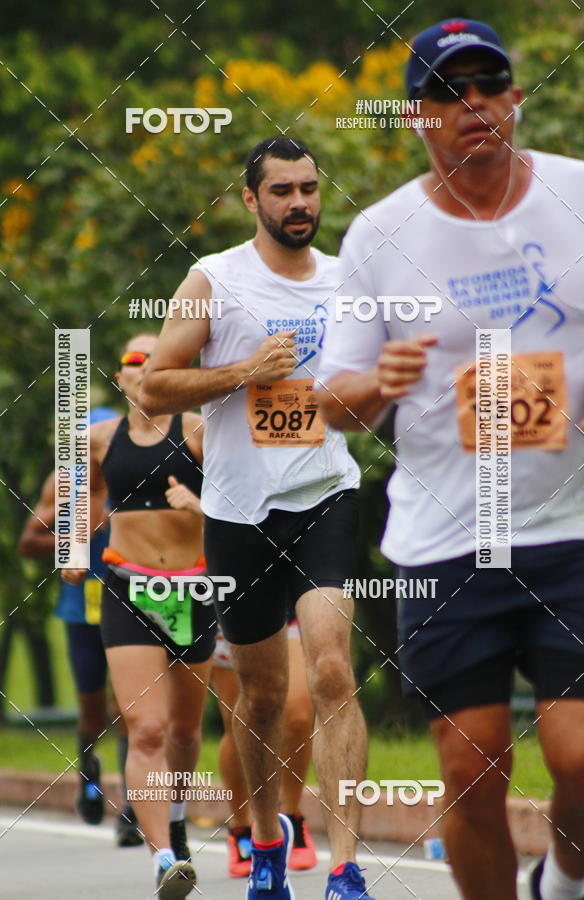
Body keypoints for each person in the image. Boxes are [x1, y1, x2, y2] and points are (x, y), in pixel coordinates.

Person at [315, 18, 584, 900]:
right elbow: (333, 400)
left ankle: (568, 874)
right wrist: (379, 383)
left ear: (514, 97)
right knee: (471, 773)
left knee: (577, 757)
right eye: (445, 91)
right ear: (415, 115)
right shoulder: (378, 236)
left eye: (486, 85)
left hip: (573, 523)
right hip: (445, 540)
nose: (471, 105)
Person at [140, 136, 376, 900]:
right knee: (263, 696)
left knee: (334, 671)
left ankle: (345, 867)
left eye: (309, 189)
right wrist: (245, 372)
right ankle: (268, 843)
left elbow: (373, 385)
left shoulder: (350, 280)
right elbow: (154, 390)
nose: (300, 203)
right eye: (282, 191)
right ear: (252, 199)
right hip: (239, 510)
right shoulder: (213, 280)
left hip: (327, 493)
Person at [62, 333, 216, 899]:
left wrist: (201, 506)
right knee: (145, 727)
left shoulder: (199, 430)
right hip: (128, 588)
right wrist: (73, 550)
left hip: (194, 590)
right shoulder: (97, 438)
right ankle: (163, 858)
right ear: (120, 377)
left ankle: (175, 814)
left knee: (182, 730)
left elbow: (245, 505)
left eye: (159, 361)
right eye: (133, 360)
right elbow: (82, 493)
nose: (145, 368)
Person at [19, 407, 143, 847]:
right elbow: (28, 540)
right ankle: (89, 778)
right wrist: (70, 543)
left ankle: (133, 808)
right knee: (92, 709)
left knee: (130, 708)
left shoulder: (134, 478)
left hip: (131, 604)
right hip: (80, 611)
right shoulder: (64, 485)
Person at [211, 615, 317, 879]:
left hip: (288, 604)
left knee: (299, 715)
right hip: (229, 599)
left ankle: (291, 816)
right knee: (240, 719)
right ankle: (241, 829)